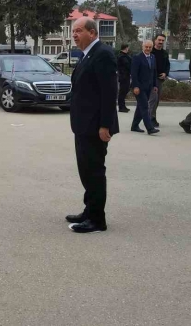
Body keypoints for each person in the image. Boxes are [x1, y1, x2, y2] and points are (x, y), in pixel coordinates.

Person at [65, 17, 118, 234]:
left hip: (96, 126)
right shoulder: (87, 55)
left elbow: (109, 93)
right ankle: (89, 210)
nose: (74, 35)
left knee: (94, 171)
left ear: (93, 33)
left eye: (78, 30)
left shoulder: (103, 54)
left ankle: (97, 220)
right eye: (73, 31)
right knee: (86, 170)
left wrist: (105, 125)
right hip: (83, 124)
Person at [130, 41, 159, 135]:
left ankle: (134, 126)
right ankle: (150, 128)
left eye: (150, 47)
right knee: (145, 106)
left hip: (149, 87)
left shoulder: (153, 57)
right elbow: (134, 74)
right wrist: (135, 86)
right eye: (146, 47)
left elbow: (154, 72)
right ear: (142, 47)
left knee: (140, 107)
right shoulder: (137, 57)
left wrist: (155, 85)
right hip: (139, 87)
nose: (148, 49)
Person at [148, 34, 168, 127]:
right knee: (153, 99)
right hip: (151, 79)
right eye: (159, 40)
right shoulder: (150, 52)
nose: (161, 42)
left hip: (160, 80)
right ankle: (150, 118)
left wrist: (165, 73)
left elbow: (167, 65)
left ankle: (152, 117)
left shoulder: (164, 53)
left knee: (157, 100)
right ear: (155, 40)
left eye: (163, 40)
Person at [117, 43, 131, 113]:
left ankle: (123, 106)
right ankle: (121, 107)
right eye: (128, 48)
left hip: (126, 76)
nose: (128, 49)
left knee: (125, 91)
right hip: (123, 77)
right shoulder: (121, 56)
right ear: (126, 48)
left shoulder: (125, 56)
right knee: (122, 92)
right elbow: (127, 65)